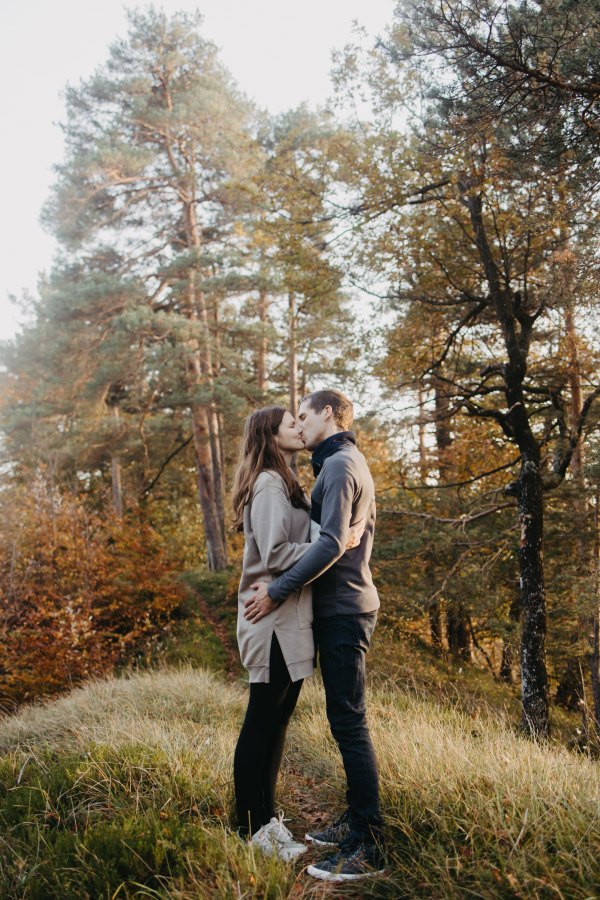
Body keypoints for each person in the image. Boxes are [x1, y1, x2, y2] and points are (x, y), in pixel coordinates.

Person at [244, 389, 385, 882]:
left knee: (349, 722)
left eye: (303, 415)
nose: (299, 424)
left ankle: (368, 841)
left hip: (344, 610)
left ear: (328, 414)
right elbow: (320, 539)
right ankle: (355, 818)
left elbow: (330, 544)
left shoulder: (340, 465)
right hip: (335, 609)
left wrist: (276, 590)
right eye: (293, 420)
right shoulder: (333, 465)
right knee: (340, 719)